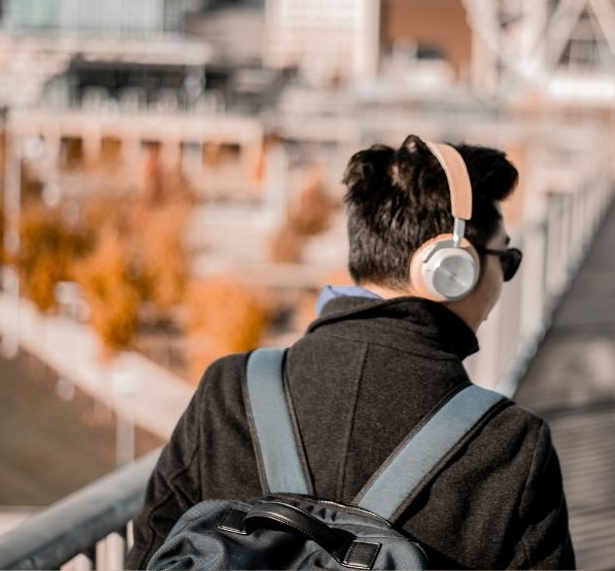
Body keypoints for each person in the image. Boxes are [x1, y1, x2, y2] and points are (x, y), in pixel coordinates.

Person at [125, 135, 575, 569]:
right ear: (452, 268)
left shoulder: (230, 389)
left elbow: (149, 553)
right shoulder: (511, 444)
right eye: (507, 261)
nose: (506, 279)